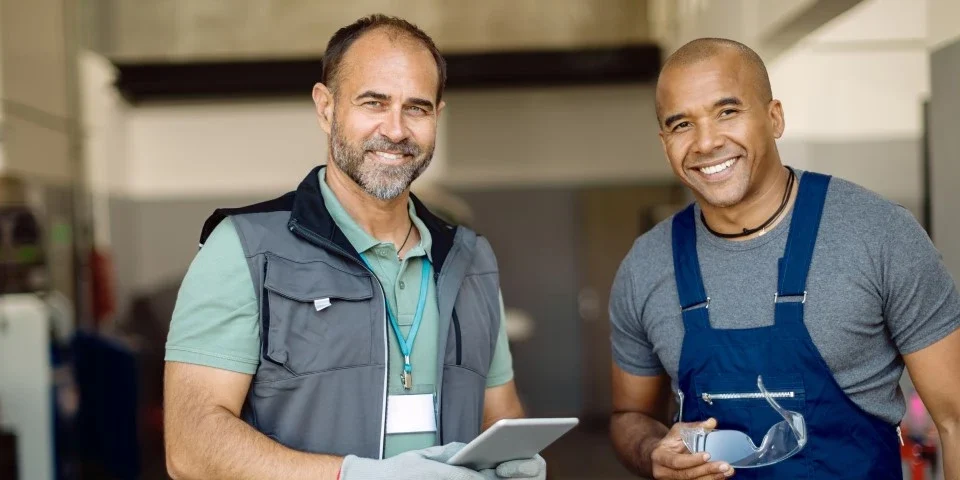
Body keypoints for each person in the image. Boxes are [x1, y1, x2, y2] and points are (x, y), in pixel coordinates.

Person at [162, 14, 546, 480]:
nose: (397, 129)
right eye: (374, 103)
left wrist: (510, 456)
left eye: (417, 108)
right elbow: (190, 445)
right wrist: (355, 475)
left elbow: (498, 413)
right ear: (326, 107)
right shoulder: (244, 249)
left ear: (437, 116)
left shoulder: (471, 259)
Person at [608, 37, 960, 479]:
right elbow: (627, 417)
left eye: (727, 112)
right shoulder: (646, 265)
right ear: (665, 143)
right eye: (681, 125)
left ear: (774, 118)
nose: (706, 141)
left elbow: (955, 420)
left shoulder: (878, 234)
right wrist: (651, 450)